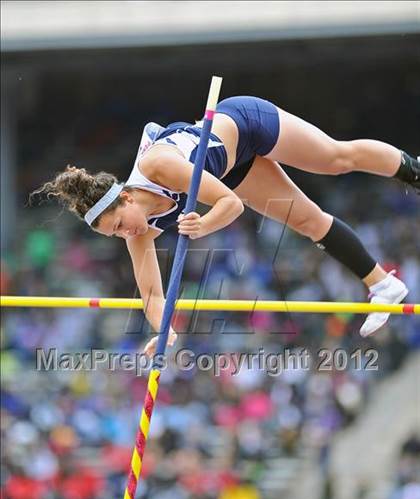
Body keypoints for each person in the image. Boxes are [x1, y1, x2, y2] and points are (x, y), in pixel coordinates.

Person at [32, 96, 419, 355]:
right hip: (233, 171)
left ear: (127, 197)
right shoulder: (140, 231)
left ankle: (413, 171)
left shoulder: (157, 167)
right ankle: (383, 285)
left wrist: (203, 226)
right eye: (113, 234)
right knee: (309, 222)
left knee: (336, 158)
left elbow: (229, 206)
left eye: (119, 224)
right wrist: (165, 331)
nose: (124, 234)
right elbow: (152, 295)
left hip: (246, 124)